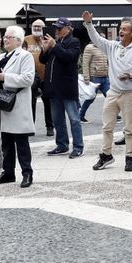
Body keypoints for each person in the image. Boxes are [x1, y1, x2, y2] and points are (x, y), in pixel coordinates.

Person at [84, 13, 132, 173]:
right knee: (107, 127)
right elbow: (97, 40)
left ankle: (129, 158)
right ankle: (106, 155)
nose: (121, 31)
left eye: (125, 29)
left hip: (130, 94)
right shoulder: (113, 46)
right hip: (113, 92)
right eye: (120, 28)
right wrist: (89, 23)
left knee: (129, 129)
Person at [0, 25, 37, 187]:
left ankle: (27, 174)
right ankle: (8, 173)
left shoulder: (25, 56)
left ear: (18, 40)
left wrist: (5, 77)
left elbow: (28, 79)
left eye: (8, 37)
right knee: (7, 144)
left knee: (21, 143)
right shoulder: (3, 56)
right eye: (4, 37)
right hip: (5, 105)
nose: (5, 39)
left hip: (17, 104)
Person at [41, 18, 84, 158]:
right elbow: (43, 60)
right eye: (56, 29)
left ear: (68, 28)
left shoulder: (74, 42)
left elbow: (68, 57)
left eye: (60, 28)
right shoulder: (56, 42)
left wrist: (54, 46)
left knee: (74, 119)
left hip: (67, 88)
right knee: (57, 119)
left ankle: (78, 146)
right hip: (54, 88)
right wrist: (45, 49)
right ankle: (62, 144)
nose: (57, 31)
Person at [79, 35, 110, 122]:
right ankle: (80, 115)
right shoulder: (89, 48)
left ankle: (114, 115)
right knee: (90, 98)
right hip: (95, 77)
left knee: (110, 96)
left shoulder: (104, 47)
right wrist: (86, 77)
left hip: (105, 76)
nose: (102, 39)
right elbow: (85, 63)